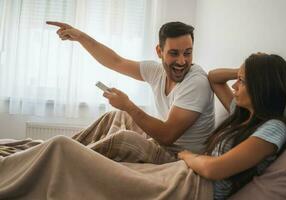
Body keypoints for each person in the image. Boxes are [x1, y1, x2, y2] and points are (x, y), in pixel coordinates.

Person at [46, 21, 215, 157]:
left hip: (180, 157)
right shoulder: (157, 71)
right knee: (116, 115)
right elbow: (115, 61)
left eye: (187, 53)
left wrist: (128, 105)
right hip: (164, 145)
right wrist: (81, 37)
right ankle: (62, 148)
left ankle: (68, 156)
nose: (182, 61)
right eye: (174, 53)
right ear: (159, 51)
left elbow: (167, 135)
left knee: (123, 139)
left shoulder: (196, 83)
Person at [178, 53, 286, 199]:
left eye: (241, 80)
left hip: (200, 189)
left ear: (260, 85)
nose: (234, 85)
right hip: (189, 176)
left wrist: (186, 155)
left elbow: (213, 169)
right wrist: (244, 70)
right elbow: (213, 77)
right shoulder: (242, 114)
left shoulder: (275, 127)